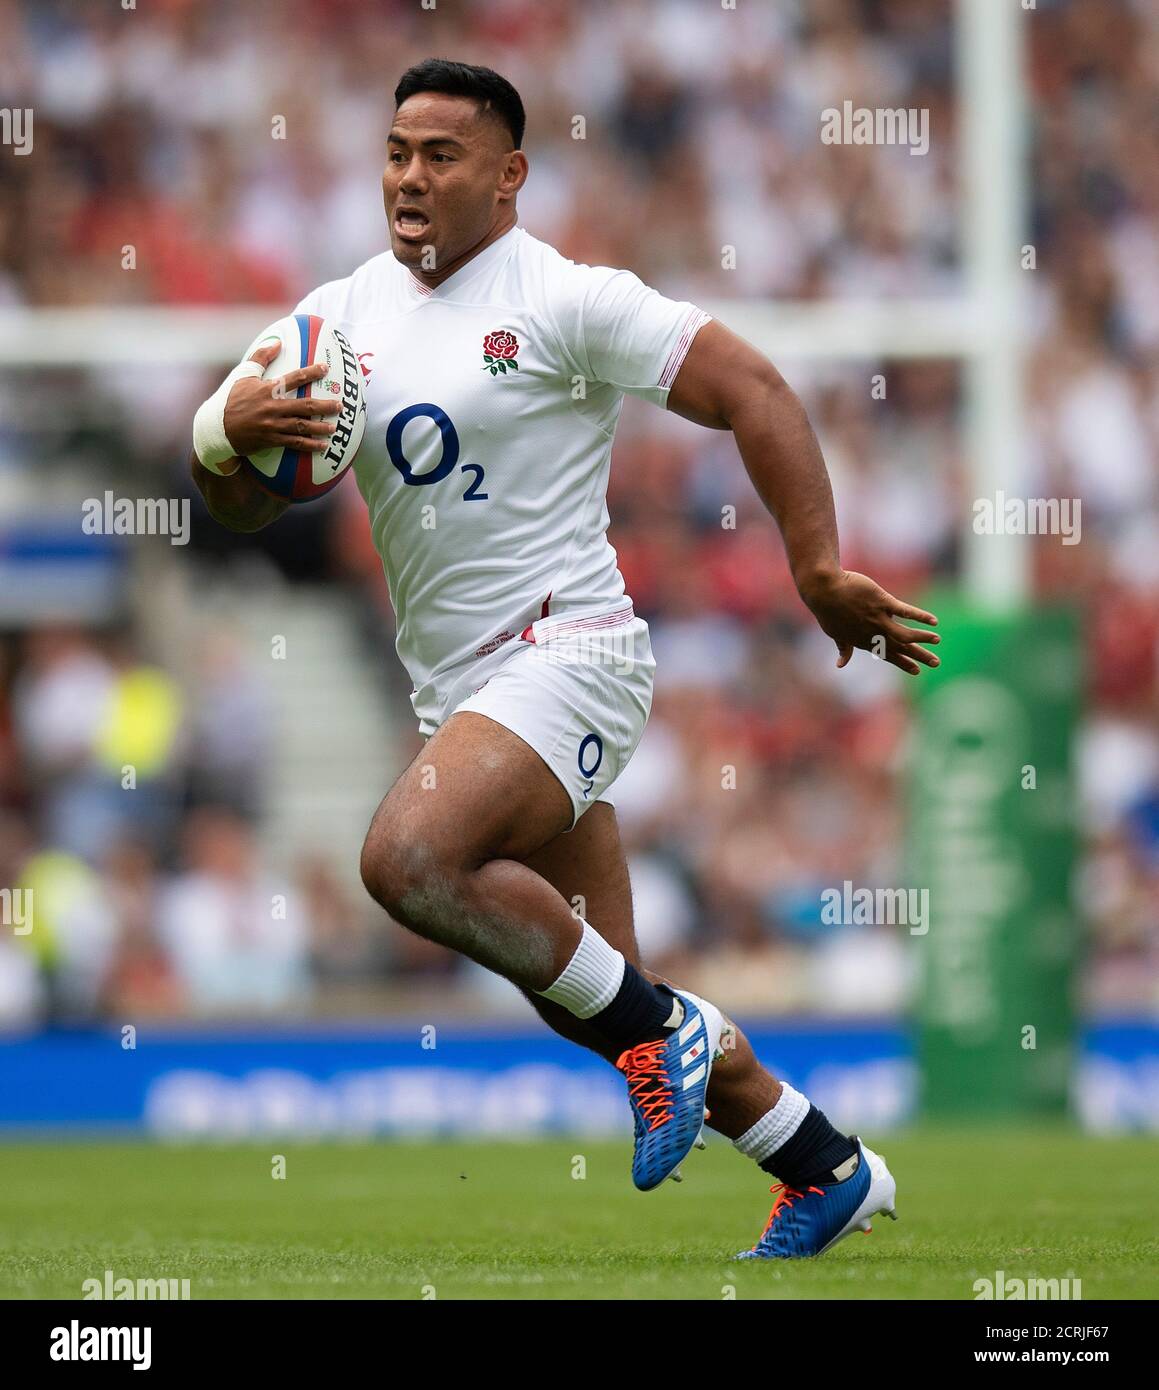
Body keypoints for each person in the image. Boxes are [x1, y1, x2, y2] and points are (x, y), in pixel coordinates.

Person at [190, 59, 941, 1258]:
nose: (410, 177)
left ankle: (664, 1039)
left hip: (568, 651)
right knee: (603, 989)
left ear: (509, 174)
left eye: (441, 154)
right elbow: (234, 502)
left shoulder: (563, 298)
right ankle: (823, 1164)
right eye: (396, 151)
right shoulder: (334, 321)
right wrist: (221, 439)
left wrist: (812, 565)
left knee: (406, 858)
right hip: (460, 695)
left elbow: (751, 386)